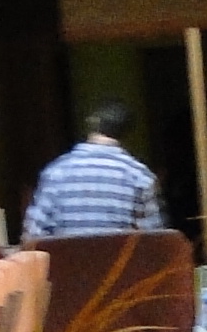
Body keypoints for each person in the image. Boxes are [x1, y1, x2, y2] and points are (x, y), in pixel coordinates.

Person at [23, 102, 166, 238]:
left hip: (67, 256)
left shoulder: (56, 172)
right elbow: (153, 239)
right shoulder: (140, 176)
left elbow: (34, 233)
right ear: (127, 132)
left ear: (91, 125)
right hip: (119, 256)